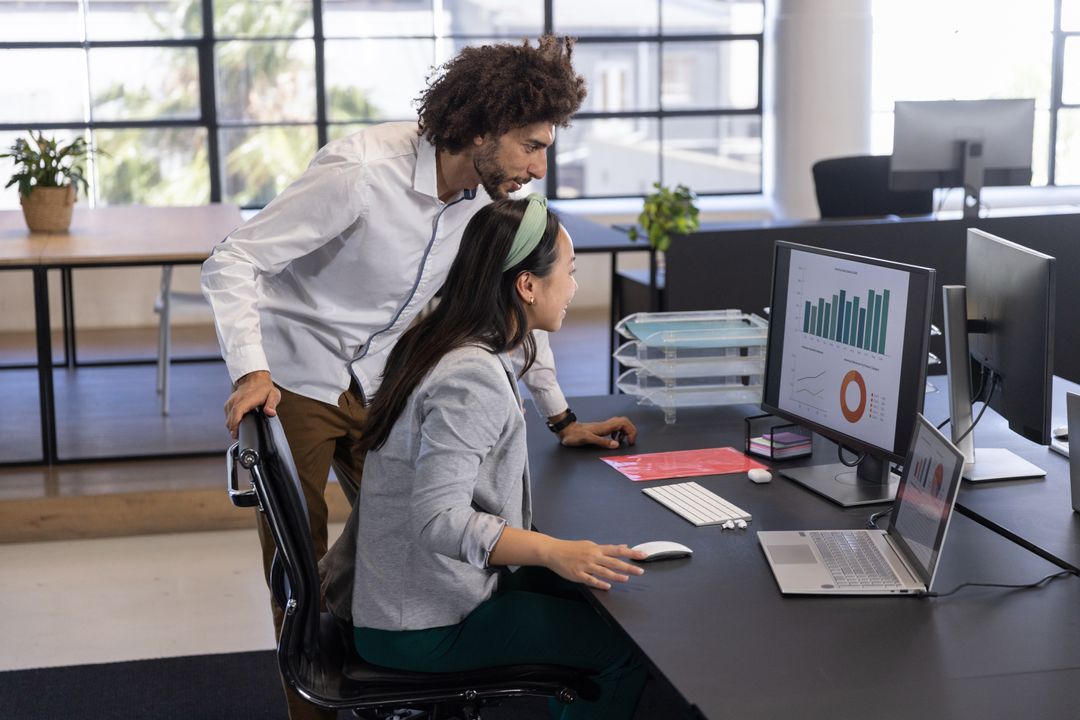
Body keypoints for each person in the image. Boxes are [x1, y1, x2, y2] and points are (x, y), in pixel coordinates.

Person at [200, 36, 637, 720]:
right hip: (301, 376)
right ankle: (319, 706)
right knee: (300, 579)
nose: (539, 165)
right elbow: (232, 262)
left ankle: (390, 662)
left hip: (381, 378)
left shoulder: (482, 199)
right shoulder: (361, 173)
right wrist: (251, 370)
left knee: (402, 536)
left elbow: (512, 304)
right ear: (481, 130)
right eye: (531, 144)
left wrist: (560, 418)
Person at [347, 194, 648, 720]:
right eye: (570, 273)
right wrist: (554, 551)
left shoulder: (441, 340)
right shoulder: (471, 375)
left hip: (415, 598)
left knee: (604, 599)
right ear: (526, 285)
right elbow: (438, 520)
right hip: (421, 625)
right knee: (626, 651)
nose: (574, 287)